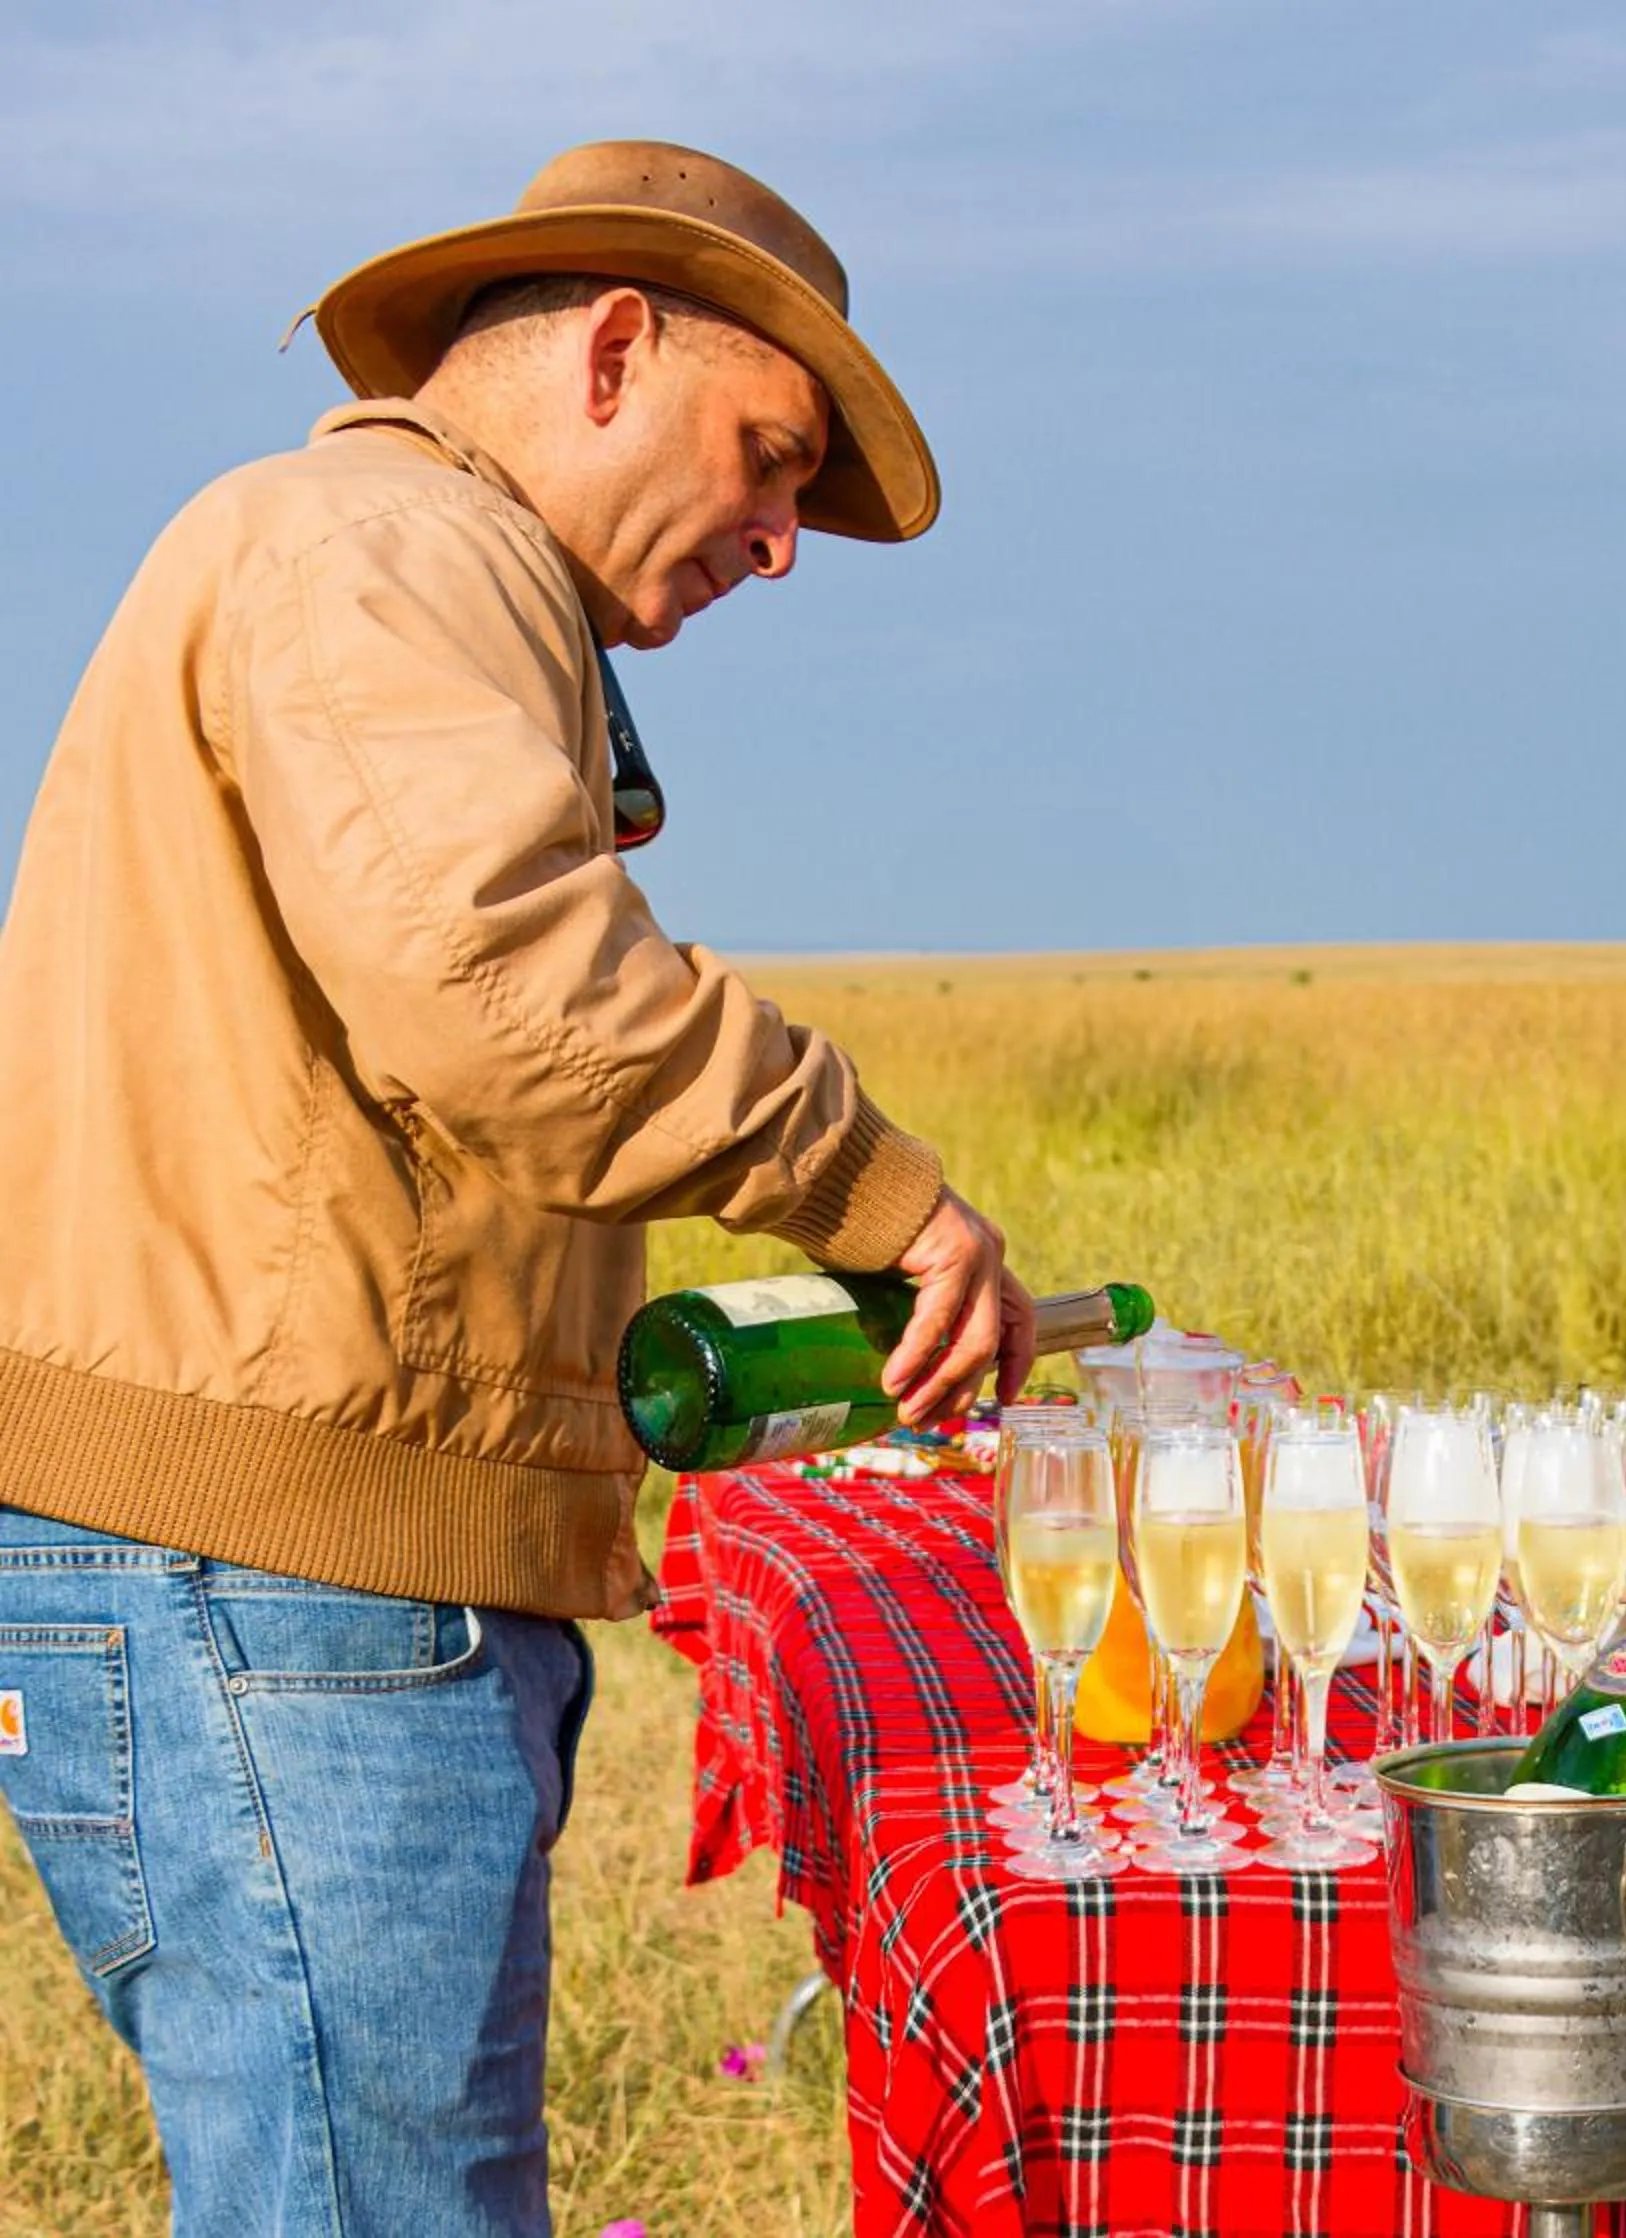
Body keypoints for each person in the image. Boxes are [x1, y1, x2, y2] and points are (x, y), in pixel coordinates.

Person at [0, 143, 1033, 2233]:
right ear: (617, 348)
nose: (779, 539)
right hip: (282, 1584)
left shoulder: (381, 560)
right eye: (768, 457)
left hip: (277, 1569)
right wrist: (878, 1192)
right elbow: (501, 987)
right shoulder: (380, 549)